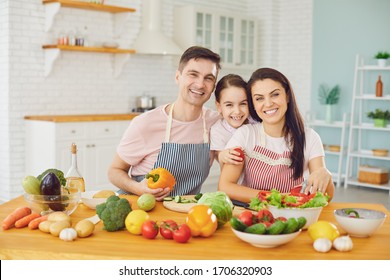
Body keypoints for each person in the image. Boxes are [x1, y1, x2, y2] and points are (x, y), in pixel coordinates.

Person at [108, 46, 221, 201]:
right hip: (143, 210)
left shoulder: (215, 123)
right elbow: (114, 171)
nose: (200, 84)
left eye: (209, 78)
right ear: (177, 77)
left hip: (183, 212)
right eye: (193, 74)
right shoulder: (146, 123)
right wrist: (138, 188)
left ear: (214, 85)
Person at [218, 67, 335, 203]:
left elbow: (326, 195)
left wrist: (325, 175)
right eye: (259, 98)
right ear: (253, 105)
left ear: (287, 96)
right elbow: (226, 186)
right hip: (252, 216)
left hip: (293, 217)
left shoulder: (310, 138)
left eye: (275, 95)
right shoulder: (245, 134)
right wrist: (276, 198)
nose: (268, 103)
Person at [210, 74, 252, 179]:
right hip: (235, 187)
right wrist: (222, 156)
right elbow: (220, 157)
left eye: (243, 104)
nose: (237, 111)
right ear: (219, 106)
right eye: (229, 105)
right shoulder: (218, 130)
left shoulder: (255, 124)